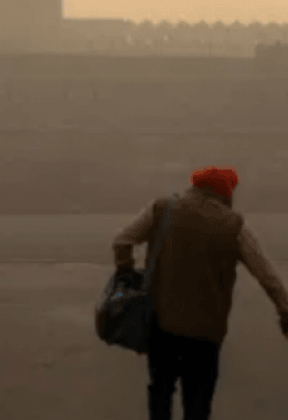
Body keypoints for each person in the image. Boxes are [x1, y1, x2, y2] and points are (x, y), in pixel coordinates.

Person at [112, 166, 288, 420]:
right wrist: (283, 308)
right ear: (225, 192)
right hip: (206, 331)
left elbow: (122, 241)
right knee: (198, 401)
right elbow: (266, 275)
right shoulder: (233, 225)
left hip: (162, 323)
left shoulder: (163, 209)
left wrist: (126, 272)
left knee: (160, 389)